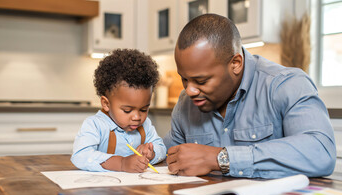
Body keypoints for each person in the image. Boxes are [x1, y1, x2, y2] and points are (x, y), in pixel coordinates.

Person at [164, 14, 336, 178]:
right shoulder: (185, 103)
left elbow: (321, 152)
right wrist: (147, 149)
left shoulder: (285, 84)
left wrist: (219, 158)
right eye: (184, 79)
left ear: (236, 64)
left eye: (201, 81)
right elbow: (167, 157)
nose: (190, 91)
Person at [72, 49, 166, 173]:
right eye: (127, 110)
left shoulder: (146, 125)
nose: (137, 117)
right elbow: (80, 156)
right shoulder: (95, 125)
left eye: (144, 109)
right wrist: (121, 163)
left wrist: (151, 153)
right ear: (106, 104)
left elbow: (162, 149)